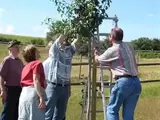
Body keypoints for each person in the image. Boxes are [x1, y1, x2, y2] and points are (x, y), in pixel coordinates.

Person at [94, 28, 142, 120]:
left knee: (112, 110)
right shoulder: (129, 46)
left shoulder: (112, 50)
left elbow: (98, 60)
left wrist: (96, 53)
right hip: (136, 82)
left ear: (111, 37)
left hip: (124, 83)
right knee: (128, 115)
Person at [45, 34, 78, 120]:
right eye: (63, 40)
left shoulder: (69, 52)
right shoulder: (54, 50)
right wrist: (66, 30)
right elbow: (60, 38)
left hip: (64, 87)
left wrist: (78, 27)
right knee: (48, 115)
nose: (65, 41)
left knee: (60, 115)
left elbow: (76, 41)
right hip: (53, 87)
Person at [18, 45, 47, 120]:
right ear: (33, 53)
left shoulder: (25, 67)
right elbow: (36, 80)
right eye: (37, 51)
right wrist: (41, 97)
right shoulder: (37, 64)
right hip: (34, 93)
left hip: (24, 94)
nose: (39, 52)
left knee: (24, 117)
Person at [0, 40, 24, 120]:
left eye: (18, 47)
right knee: (7, 113)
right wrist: (3, 90)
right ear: (10, 49)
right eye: (16, 47)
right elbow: (2, 76)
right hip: (9, 89)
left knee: (16, 113)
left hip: (19, 89)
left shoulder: (20, 61)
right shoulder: (7, 60)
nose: (18, 48)